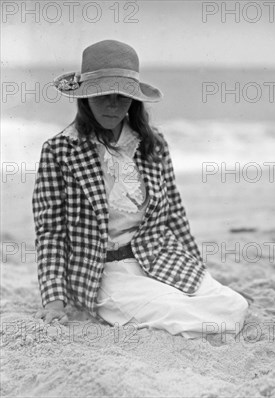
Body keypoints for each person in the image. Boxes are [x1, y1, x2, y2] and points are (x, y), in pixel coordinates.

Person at [33, 39, 248, 338]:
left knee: (233, 305)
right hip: (102, 272)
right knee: (180, 312)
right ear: (85, 97)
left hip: (157, 256)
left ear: (133, 99)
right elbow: (51, 232)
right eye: (103, 95)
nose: (112, 104)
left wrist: (197, 269)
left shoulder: (152, 144)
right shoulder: (60, 151)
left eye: (122, 96)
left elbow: (174, 215)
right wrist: (54, 300)